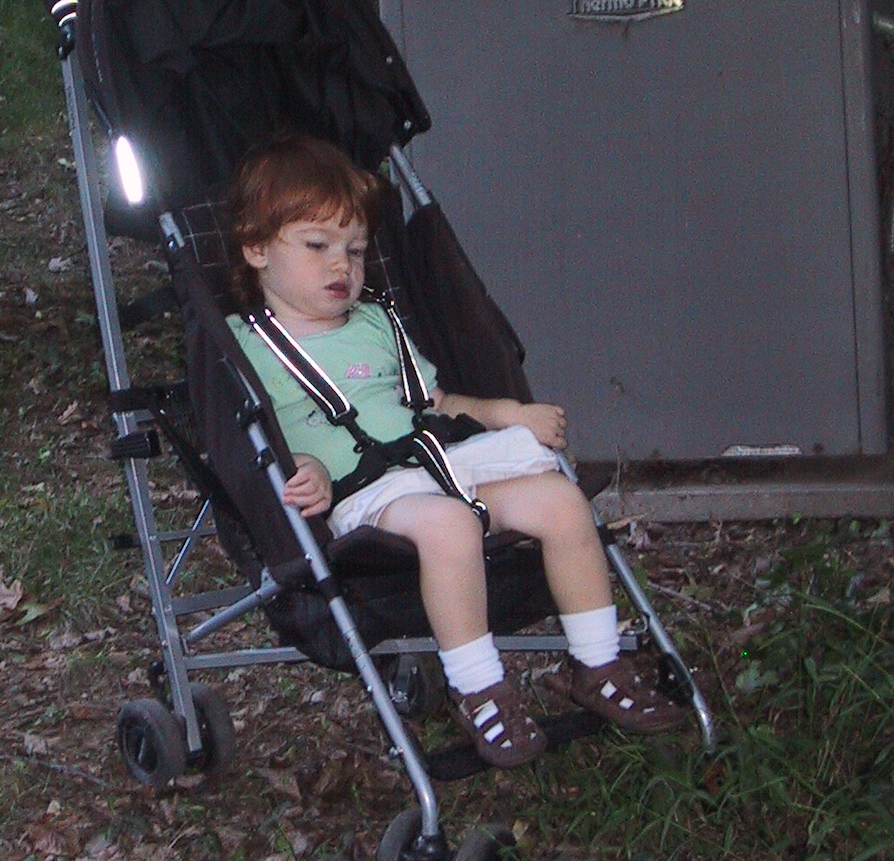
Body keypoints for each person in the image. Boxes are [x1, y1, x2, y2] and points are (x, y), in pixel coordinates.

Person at [226, 134, 686, 768]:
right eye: (317, 246)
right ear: (256, 249)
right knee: (448, 524)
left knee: (560, 500)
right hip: (368, 496)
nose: (343, 266)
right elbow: (257, 434)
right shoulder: (247, 346)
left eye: (355, 250)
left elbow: (436, 400)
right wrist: (305, 469)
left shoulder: (374, 322)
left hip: (439, 466)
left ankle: (598, 664)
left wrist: (508, 414)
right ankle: (479, 689)